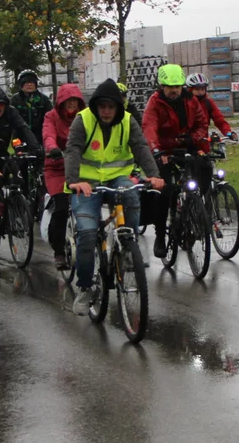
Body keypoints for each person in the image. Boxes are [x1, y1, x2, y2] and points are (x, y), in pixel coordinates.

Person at [65, 79, 165, 315]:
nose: (107, 111)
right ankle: (86, 287)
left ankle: (128, 249)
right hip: (85, 182)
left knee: (132, 198)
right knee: (88, 233)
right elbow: (73, 150)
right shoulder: (83, 120)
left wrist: (153, 175)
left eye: (111, 107)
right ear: (96, 106)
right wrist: (73, 181)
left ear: (119, 108)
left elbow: (141, 147)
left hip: (118, 177)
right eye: (103, 107)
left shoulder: (128, 121)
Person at [142, 64, 210, 259]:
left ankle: (195, 211)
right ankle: (160, 236)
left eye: (178, 87)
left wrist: (194, 138)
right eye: (169, 87)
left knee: (204, 168)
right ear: (161, 86)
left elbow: (201, 123)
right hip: (163, 150)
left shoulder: (191, 101)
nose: (174, 91)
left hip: (185, 146)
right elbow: (149, 128)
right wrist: (156, 151)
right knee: (165, 191)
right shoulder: (155, 102)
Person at [42, 83, 85, 270]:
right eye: (68, 101)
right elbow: (48, 135)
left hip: (79, 167)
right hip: (57, 167)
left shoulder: (84, 117)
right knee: (61, 206)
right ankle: (58, 250)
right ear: (60, 102)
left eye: (75, 101)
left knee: (90, 203)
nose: (72, 104)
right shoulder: (50, 117)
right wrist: (52, 149)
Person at [185, 73, 237, 140]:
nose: (200, 92)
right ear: (190, 90)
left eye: (202, 89)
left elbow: (219, 120)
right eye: (197, 89)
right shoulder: (184, 103)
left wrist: (228, 132)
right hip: (186, 141)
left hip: (203, 140)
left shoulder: (208, 103)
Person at [9, 70, 53, 139]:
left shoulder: (44, 99)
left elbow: (51, 119)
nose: (29, 84)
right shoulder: (15, 100)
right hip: (20, 137)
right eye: (26, 82)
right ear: (21, 84)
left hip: (40, 137)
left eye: (32, 82)